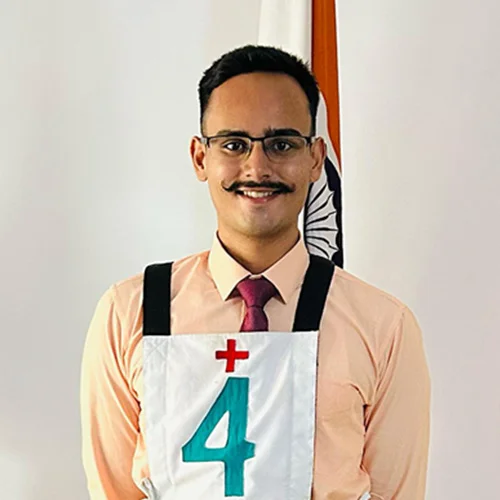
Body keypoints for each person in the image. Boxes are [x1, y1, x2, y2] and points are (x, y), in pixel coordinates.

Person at [80, 45, 430, 500]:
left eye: (281, 144)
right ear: (200, 157)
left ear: (315, 158)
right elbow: (113, 491)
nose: (257, 167)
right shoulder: (130, 313)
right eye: (234, 144)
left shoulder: (382, 326)